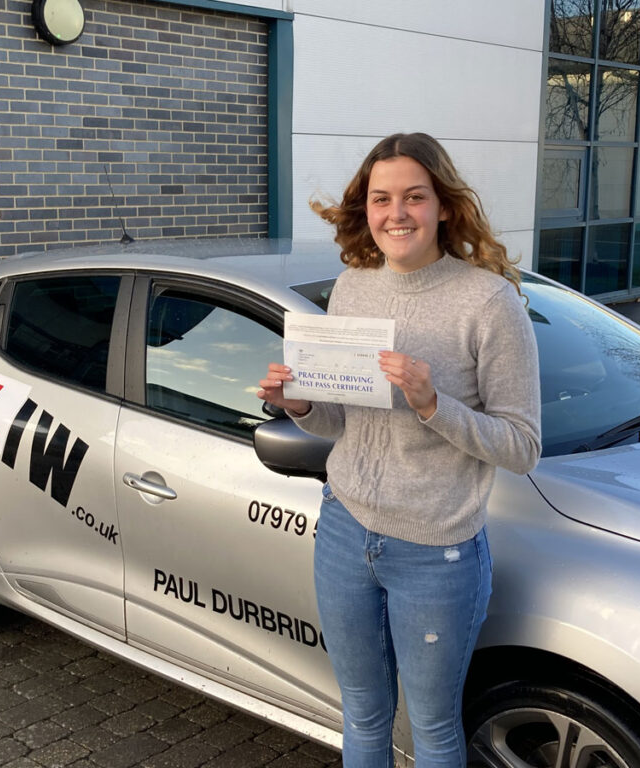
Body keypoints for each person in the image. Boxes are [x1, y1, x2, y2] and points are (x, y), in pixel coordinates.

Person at [257, 132, 541, 768]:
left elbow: (523, 447)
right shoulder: (352, 286)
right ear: (366, 209)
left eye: (414, 196)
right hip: (344, 529)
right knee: (361, 714)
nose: (397, 213)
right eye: (381, 199)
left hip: (436, 550)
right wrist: (298, 404)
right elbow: (341, 421)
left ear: (443, 205)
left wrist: (433, 404)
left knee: (433, 729)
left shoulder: (489, 302)